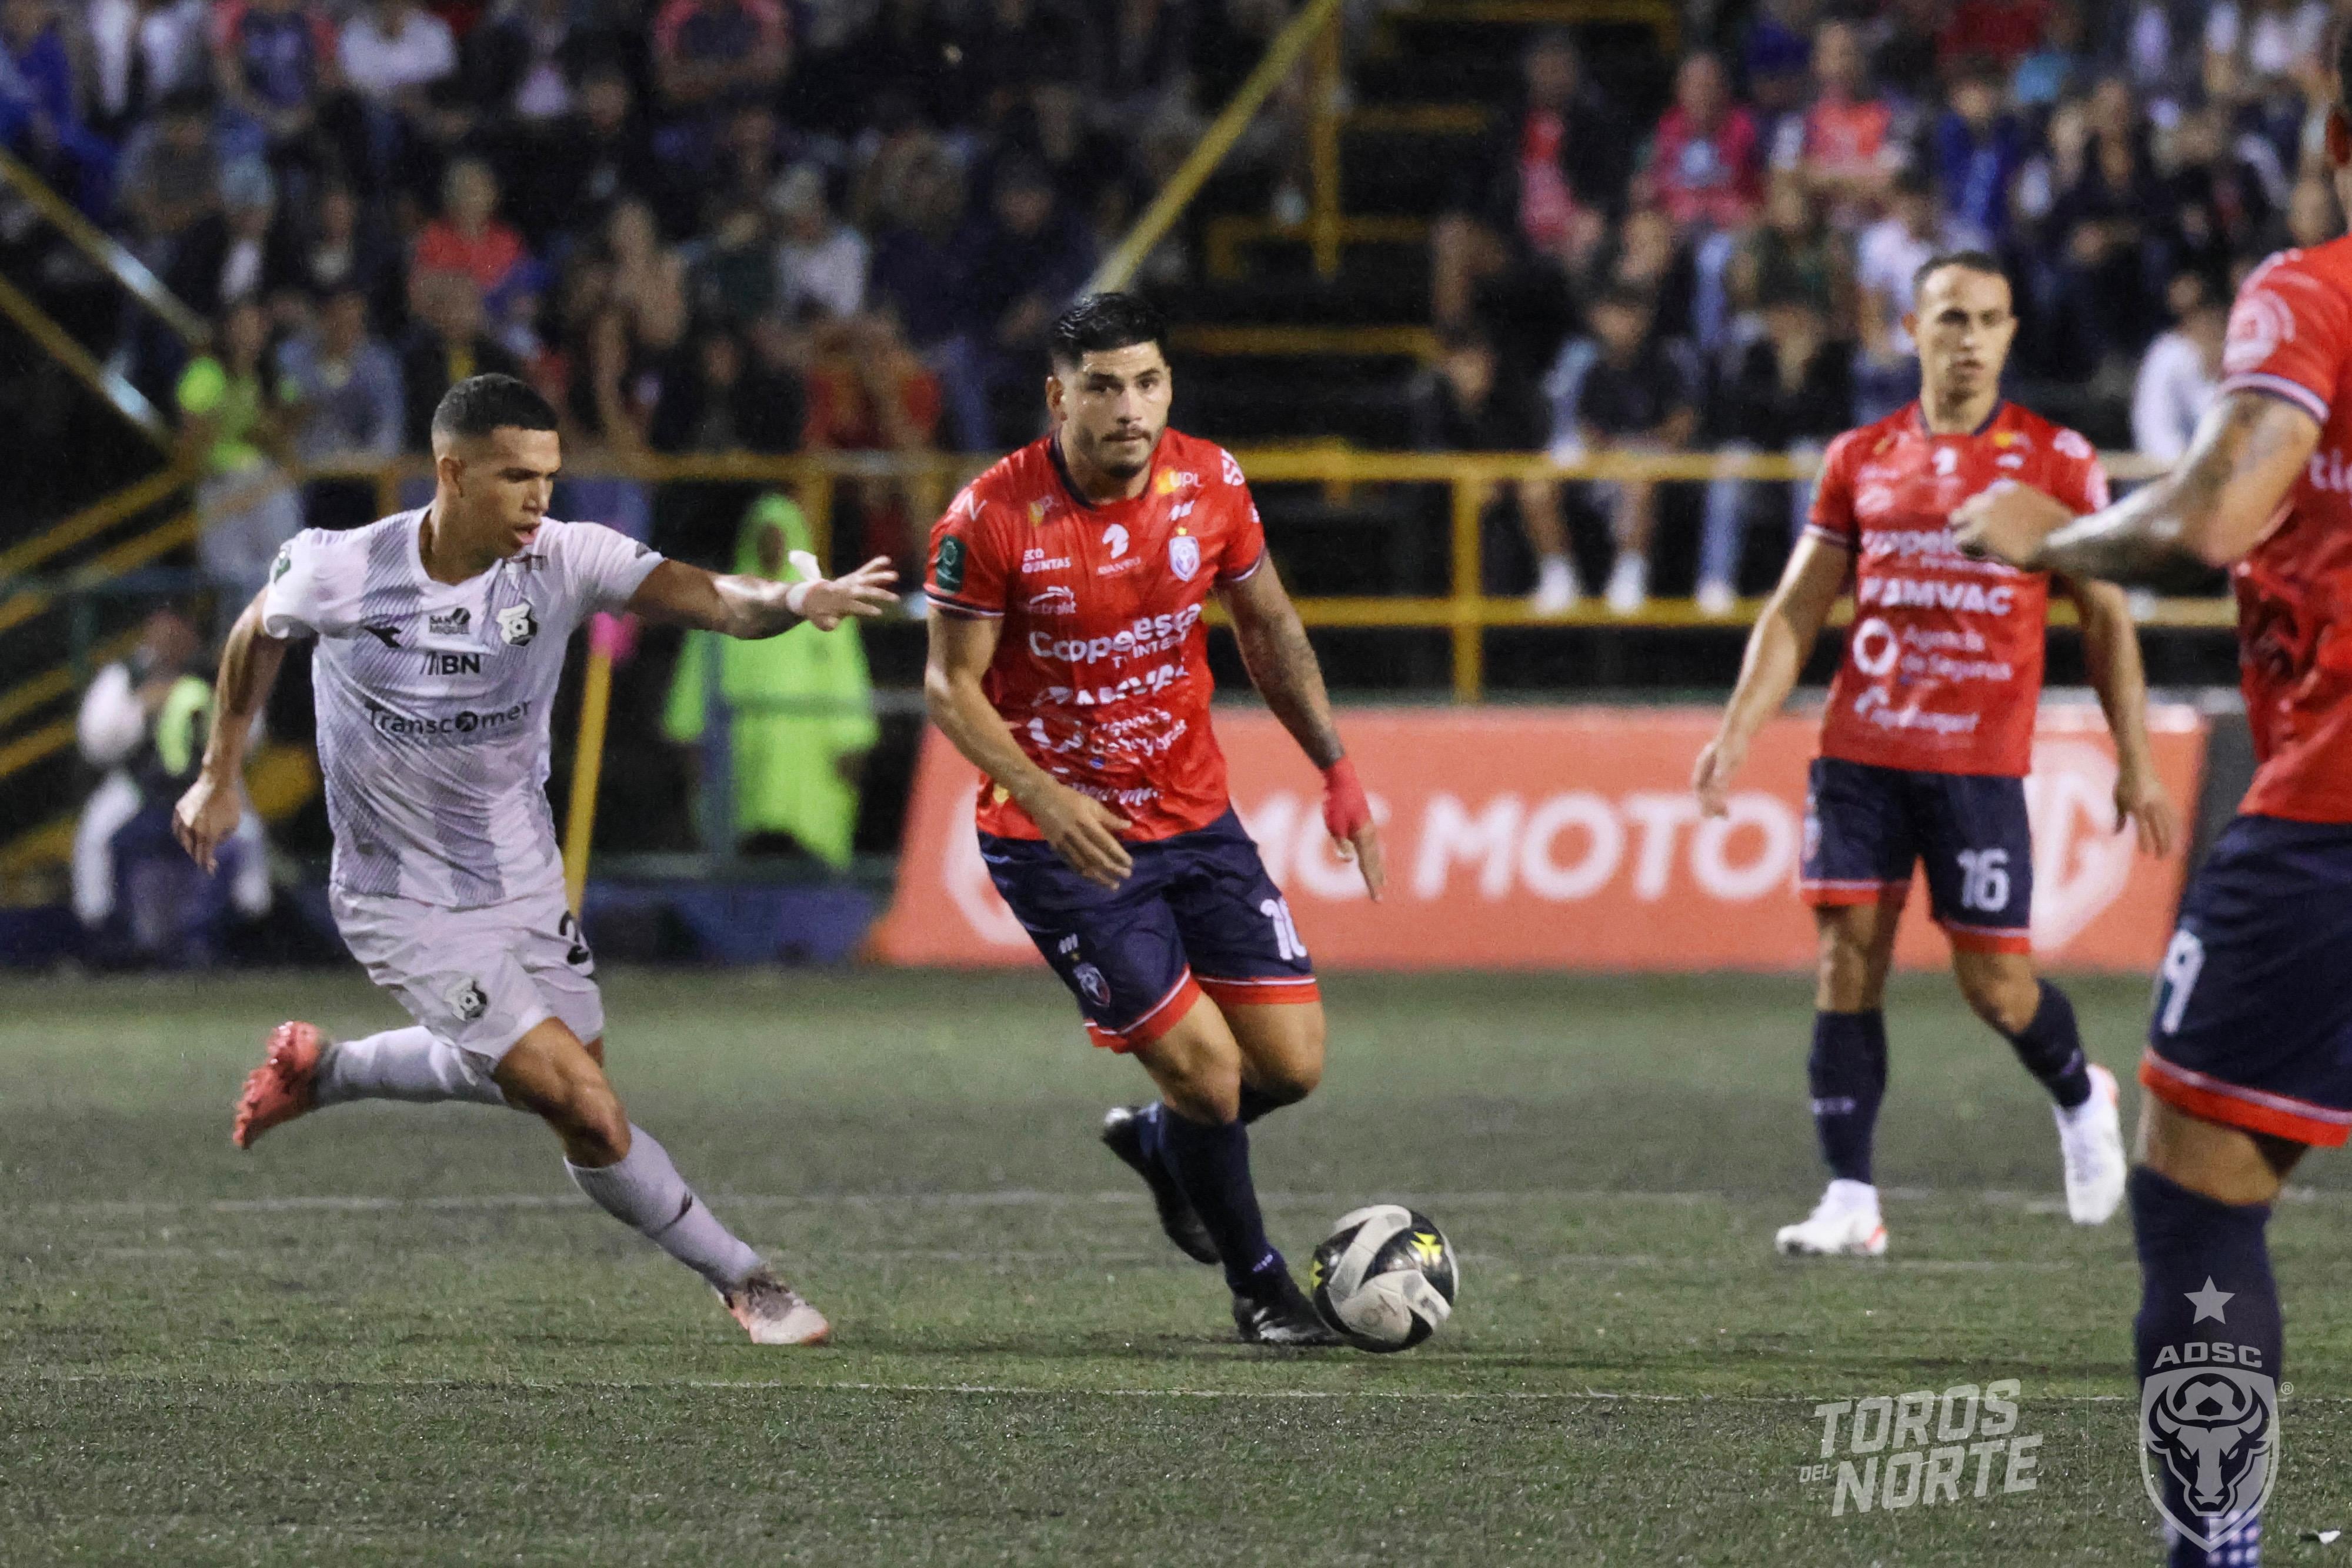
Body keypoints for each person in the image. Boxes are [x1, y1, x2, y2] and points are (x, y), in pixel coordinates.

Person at [170, 373, 897, 1345]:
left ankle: (328, 1071)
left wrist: (798, 597)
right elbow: (256, 632)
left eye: (549, 477)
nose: (539, 498)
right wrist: (221, 774)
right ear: (451, 474)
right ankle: (747, 1282)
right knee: (587, 1108)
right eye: (515, 477)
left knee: (547, 1079)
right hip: (400, 900)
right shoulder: (343, 567)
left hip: (521, 882)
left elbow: (714, 599)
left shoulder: (567, 558)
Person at [1949, 36, 2352, 1559]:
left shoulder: (2307, 294)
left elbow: (2208, 517)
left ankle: (2214, 1549)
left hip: (2326, 819)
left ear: (2326, 128)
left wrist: (2045, 539)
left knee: (2195, 1185)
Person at [1692, 252, 2179, 1259]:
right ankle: (1848, 1197)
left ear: (2009, 335)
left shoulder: (2054, 460)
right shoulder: (1858, 457)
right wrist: (1736, 731)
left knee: (1994, 987)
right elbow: (1795, 608)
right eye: (1950, 317)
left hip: (1975, 761)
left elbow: (2102, 620)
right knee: (1844, 961)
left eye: (1990, 320)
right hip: (1860, 748)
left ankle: (2074, 1087)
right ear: (1908, 329)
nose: (1970, 338)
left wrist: (2132, 759)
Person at [920, 293, 1386, 1346]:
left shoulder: (1210, 480)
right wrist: (1041, 792)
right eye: (1101, 386)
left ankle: (1158, 1144)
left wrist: (1337, 767)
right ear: (1058, 396)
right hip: (1060, 843)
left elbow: (1266, 625)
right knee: (1208, 1073)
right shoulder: (989, 517)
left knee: (1291, 1065)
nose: (1129, 407)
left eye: (1147, 381)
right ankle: (1259, 1285)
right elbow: (952, 689)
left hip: (1193, 816)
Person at [662, 492, 876, 867]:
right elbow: (691, 703)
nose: (772, 548)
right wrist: (695, 767)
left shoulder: (828, 614)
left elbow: (850, 693)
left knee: (810, 873)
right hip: (737, 773)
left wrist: (852, 750)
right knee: (739, 872)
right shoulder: (719, 612)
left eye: (781, 538)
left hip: (810, 773)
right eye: (764, 537)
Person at [75, 608, 270, 953]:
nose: (170, 641)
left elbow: (252, 740)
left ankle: (252, 927)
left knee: (250, 835)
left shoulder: (217, 673)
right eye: (163, 633)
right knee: (94, 834)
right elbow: (94, 743)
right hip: (139, 784)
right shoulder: (126, 675)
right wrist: (139, 709)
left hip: (206, 785)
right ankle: (100, 928)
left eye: (178, 633)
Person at [1543, 284, 1700, 614]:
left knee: (1639, 478)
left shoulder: (1666, 362)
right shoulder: (1591, 368)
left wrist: (1637, 446)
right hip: (1605, 464)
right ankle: (1558, 575)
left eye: (1629, 316)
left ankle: (1631, 573)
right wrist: (1612, 451)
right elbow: (1584, 431)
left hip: (1655, 465)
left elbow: (1682, 427)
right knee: (1537, 485)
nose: (1621, 325)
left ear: (1643, 319)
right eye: (1614, 316)